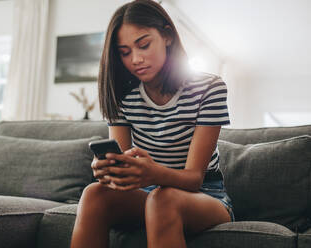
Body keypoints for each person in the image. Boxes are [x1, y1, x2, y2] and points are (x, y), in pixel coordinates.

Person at [70, 0, 234, 247]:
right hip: (148, 191)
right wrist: (112, 170)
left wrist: (152, 172)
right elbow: (125, 165)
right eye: (124, 52)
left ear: (167, 36)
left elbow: (194, 179)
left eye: (143, 45)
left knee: (163, 199)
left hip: (205, 195)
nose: (135, 59)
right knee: (93, 194)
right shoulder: (123, 95)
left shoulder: (209, 88)